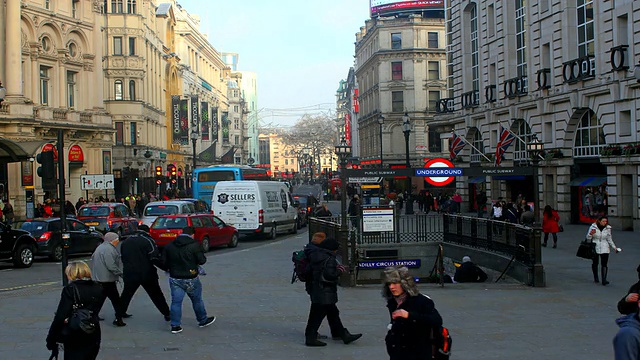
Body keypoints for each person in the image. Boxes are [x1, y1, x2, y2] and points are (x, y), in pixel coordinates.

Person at [304, 235, 361, 346]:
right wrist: (339, 270)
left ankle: (341, 334)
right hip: (325, 291)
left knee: (333, 313)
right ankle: (310, 338)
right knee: (316, 316)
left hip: (317, 289)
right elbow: (330, 275)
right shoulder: (328, 258)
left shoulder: (315, 255)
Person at [46, 261, 106, 360]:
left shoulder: (70, 289)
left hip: (75, 332)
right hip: (93, 331)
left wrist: (51, 339)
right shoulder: (98, 288)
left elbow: (61, 316)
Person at [161, 226, 215, 334]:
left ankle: (175, 325)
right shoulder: (194, 245)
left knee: (176, 302)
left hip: (175, 277)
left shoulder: (169, 246)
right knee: (197, 300)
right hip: (191, 277)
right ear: (192, 234)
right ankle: (202, 320)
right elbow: (202, 260)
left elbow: (164, 263)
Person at [382, 265, 443, 360]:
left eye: (395, 283)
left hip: (418, 353)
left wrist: (409, 315)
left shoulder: (421, 301)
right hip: (398, 353)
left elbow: (437, 320)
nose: (392, 287)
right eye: (389, 284)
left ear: (404, 283)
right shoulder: (392, 302)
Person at [119, 224, 171, 322]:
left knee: (126, 294)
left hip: (130, 273)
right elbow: (154, 258)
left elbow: (123, 257)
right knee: (156, 294)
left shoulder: (126, 241)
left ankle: (120, 313)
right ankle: (167, 313)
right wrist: (165, 268)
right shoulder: (148, 241)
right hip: (147, 273)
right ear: (148, 231)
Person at [91, 232, 127, 326]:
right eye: (116, 239)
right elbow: (111, 265)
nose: (118, 241)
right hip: (107, 280)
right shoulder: (108, 249)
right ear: (112, 240)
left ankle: (94, 316)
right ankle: (118, 319)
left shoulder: (100, 247)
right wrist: (120, 274)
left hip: (99, 278)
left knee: (99, 299)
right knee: (116, 301)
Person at [586, 216, 620, 286]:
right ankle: (596, 277)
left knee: (604, 263)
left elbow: (609, 239)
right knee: (595, 263)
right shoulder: (593, 227)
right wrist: (590, 234)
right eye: (603, 221)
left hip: (605, 247)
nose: (605, 223)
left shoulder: (608, 228)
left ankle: (604, 279)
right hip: (595, 246)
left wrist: (614, 247)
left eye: (606, 221)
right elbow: (588, 238)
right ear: (599, 221)